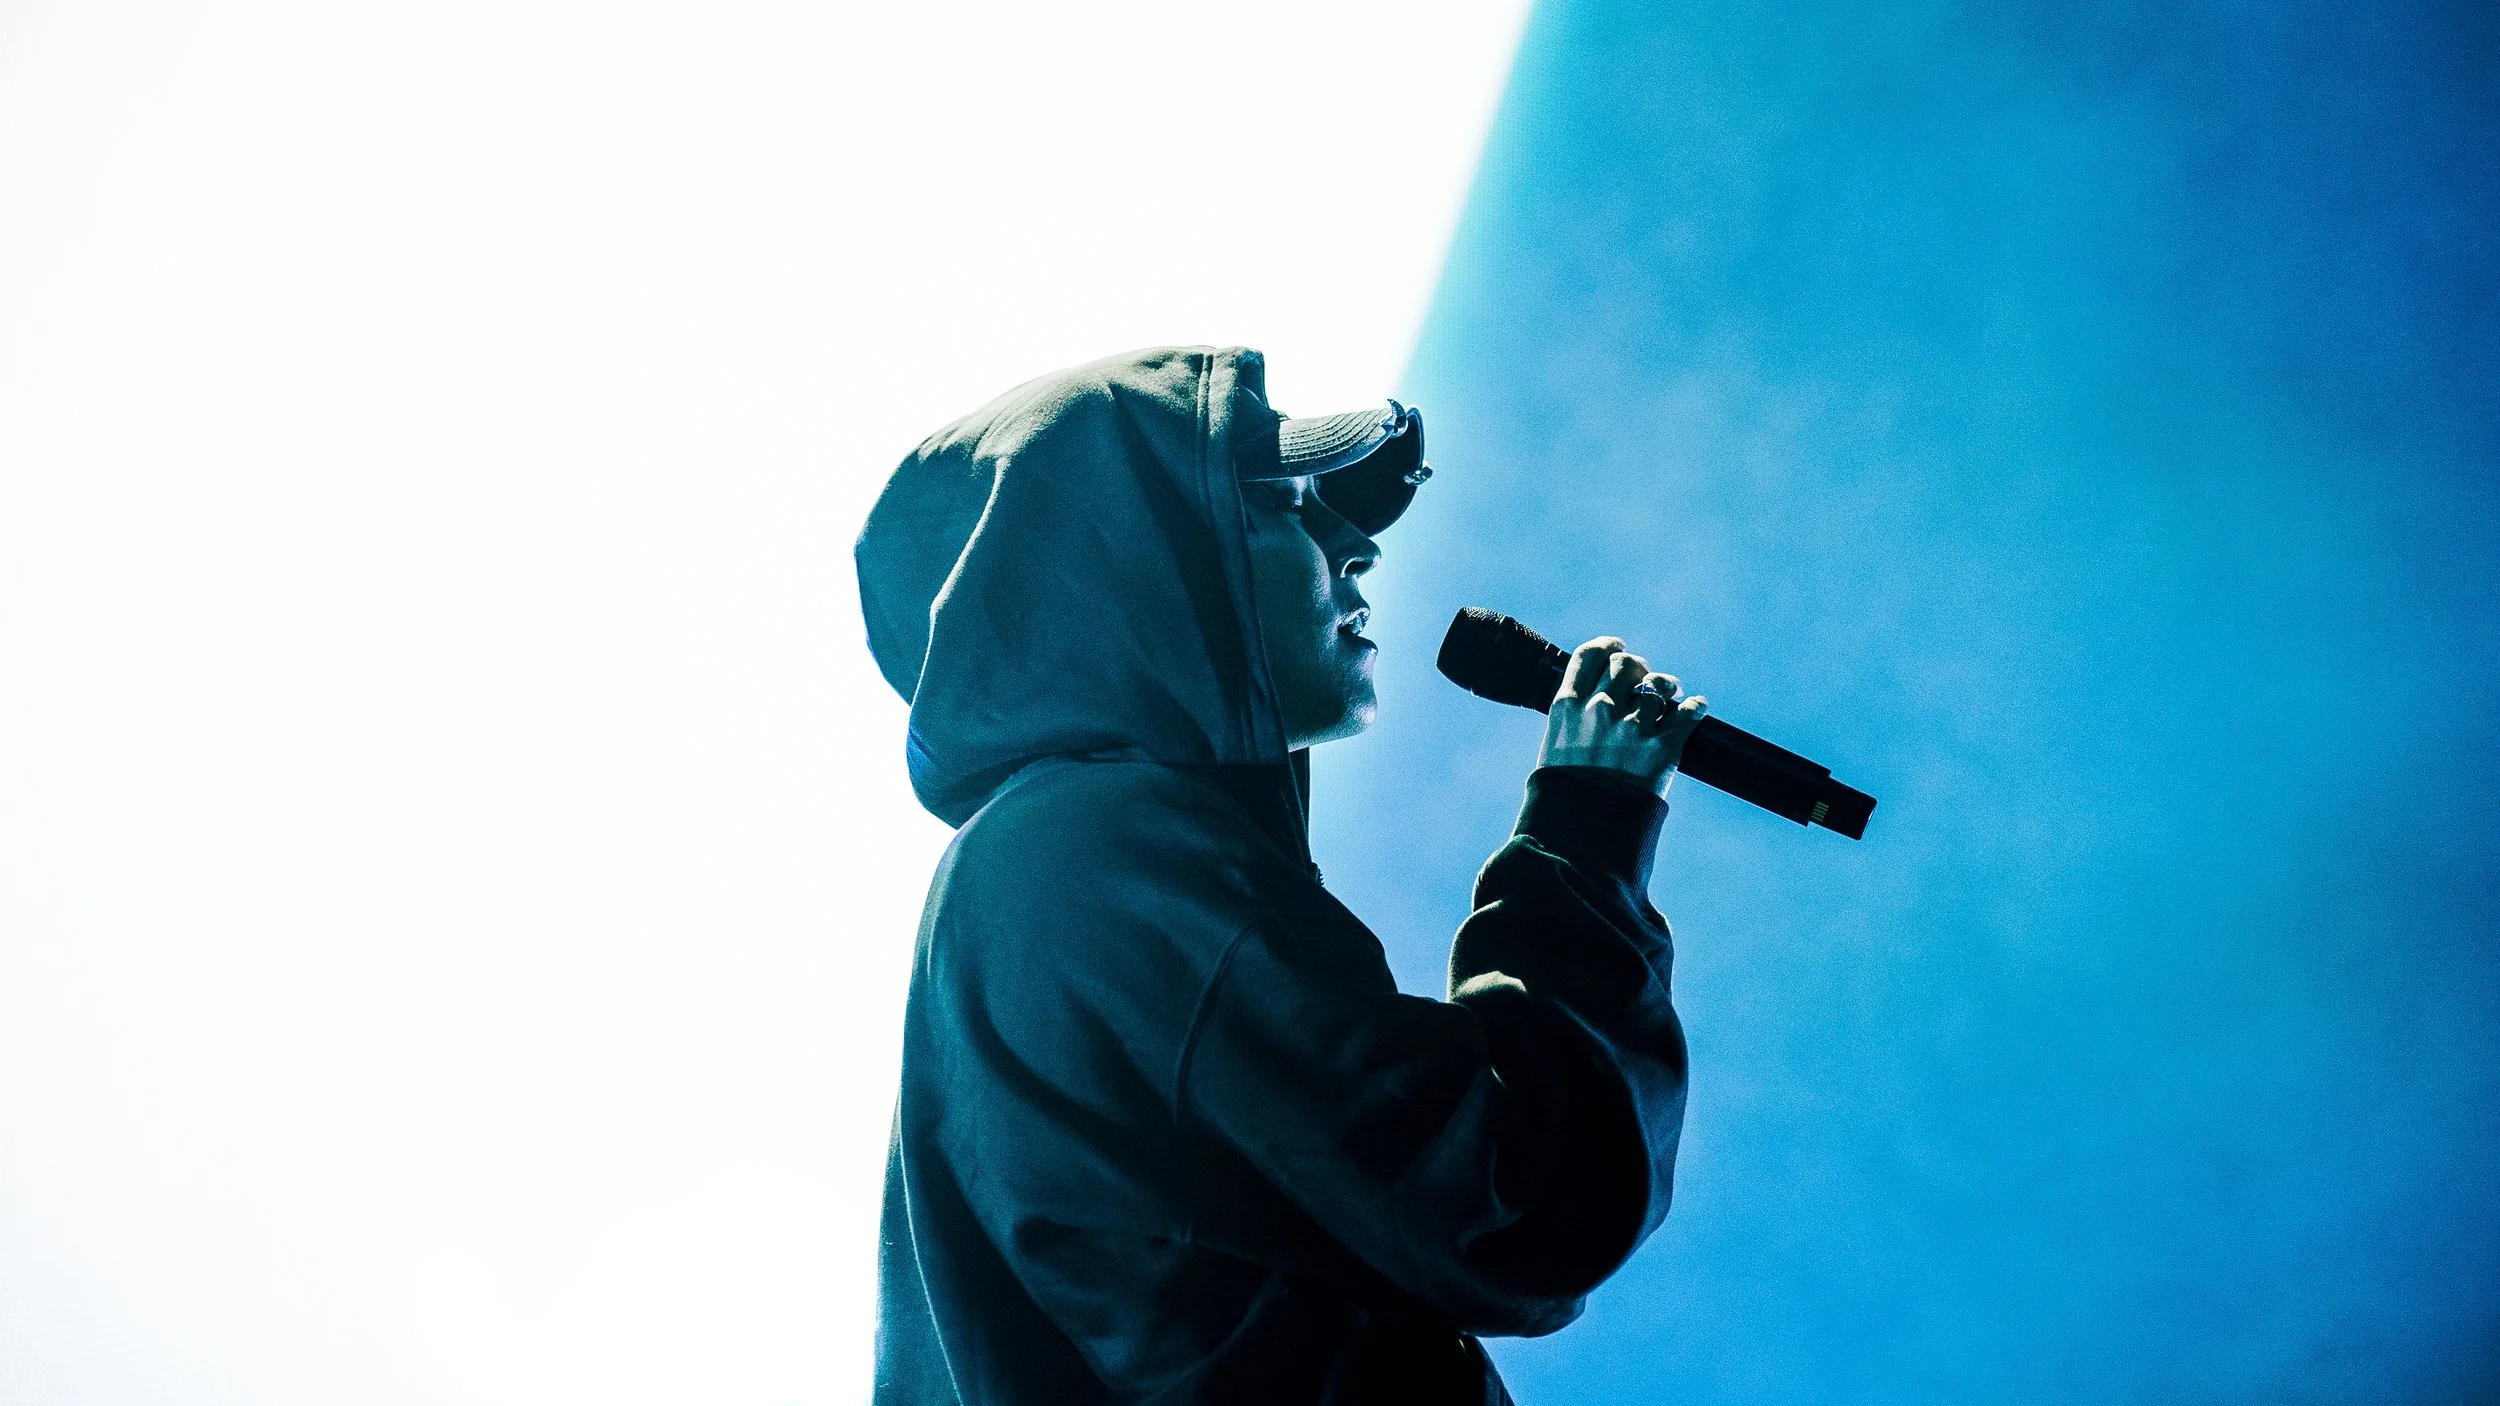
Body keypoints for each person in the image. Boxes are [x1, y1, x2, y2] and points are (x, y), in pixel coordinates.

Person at [855, 346, 1706, 1405]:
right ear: (1137, 567)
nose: (1357, 547)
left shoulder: (1042, 863)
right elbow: (1519, 1201)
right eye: (1284, 504)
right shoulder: (1105, 850)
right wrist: (1586, 832)